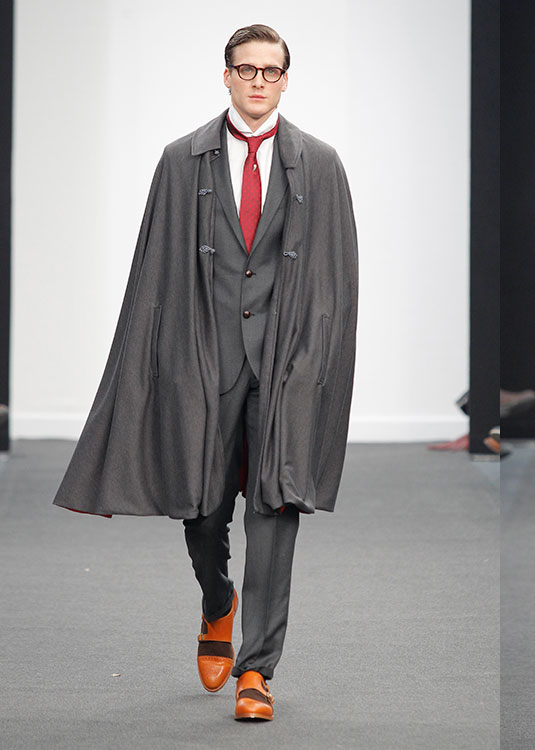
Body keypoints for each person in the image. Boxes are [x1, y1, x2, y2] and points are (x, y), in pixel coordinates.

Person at [53, 24, 359, 722]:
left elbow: (337, 278)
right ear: (226, 75)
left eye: (270, 71)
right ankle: (217, 599)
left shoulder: (319, 163)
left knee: (277, 506)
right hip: (203, 359)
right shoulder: (180, 160)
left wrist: (315, 362)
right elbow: (153, 272)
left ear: (286, 80)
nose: (258, 82)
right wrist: (156, 363)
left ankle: (257, 671)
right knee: (201, 509)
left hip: (283, 364)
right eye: (246, 69)